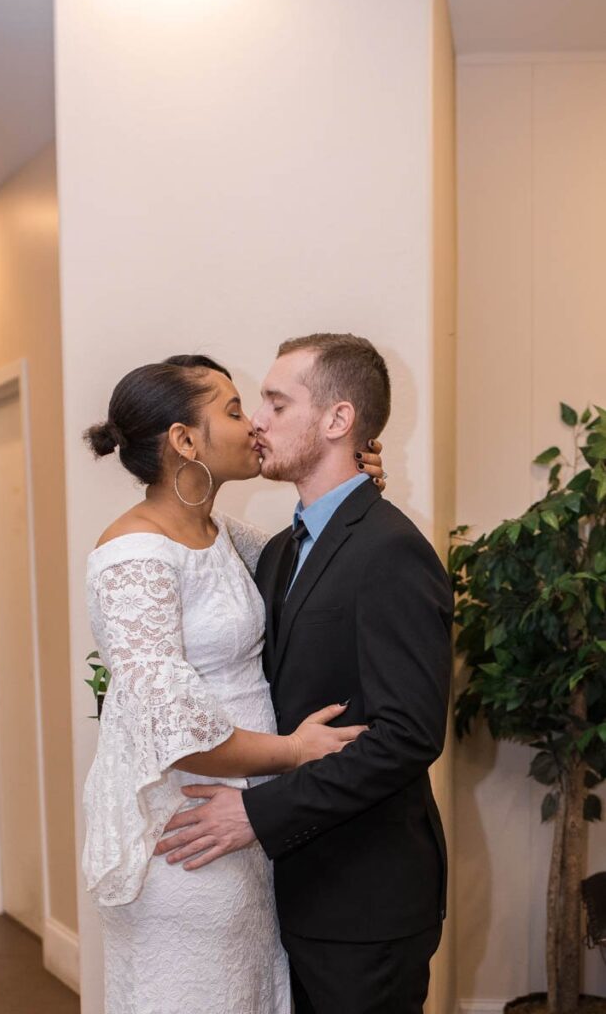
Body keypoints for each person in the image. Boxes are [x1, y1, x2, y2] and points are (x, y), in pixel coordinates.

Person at [156, 334, 454, 1014]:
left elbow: (406, 737)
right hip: (289, 887)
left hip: (365, 900)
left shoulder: (391, 553)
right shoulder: (280, 550)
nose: (258, 419)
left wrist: (255, 814)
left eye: (275, 401)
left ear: (337, 421)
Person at [81, 353, 385, 1014]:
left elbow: (310, 568)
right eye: (232, 410)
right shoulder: (132, 556)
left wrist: (356, 495)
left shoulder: (225, 537)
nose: (253, 425)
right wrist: (295, 751)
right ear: (183, 441)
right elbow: (174, 730)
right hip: (186, 830)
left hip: (244, 824)